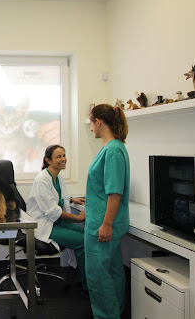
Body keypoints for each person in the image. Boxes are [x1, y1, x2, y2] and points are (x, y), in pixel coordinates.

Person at [85, 104, 130, 319]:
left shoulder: (112, 150)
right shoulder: (113, 147)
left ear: (99, 122)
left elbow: (114, 193)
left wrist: (107, 224)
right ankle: (116, 312)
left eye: (91, 123)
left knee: (98, 276)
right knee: (112, 271)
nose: (91, 127)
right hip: (104, 220)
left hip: (102, 225)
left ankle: (107, 315)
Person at [26, 144, 88, 294]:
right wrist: (78, 218)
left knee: (87, 236)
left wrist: (71, 199)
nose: (63, 159)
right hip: (44, 225)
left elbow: (55, 197)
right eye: (58, 156)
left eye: (64, 155)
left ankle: (84, 278)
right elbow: (52, 210)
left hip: (55, 222)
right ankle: (86, 283)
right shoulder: (42, 180)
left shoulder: (57, 176)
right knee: (82, 241)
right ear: (48, 160)